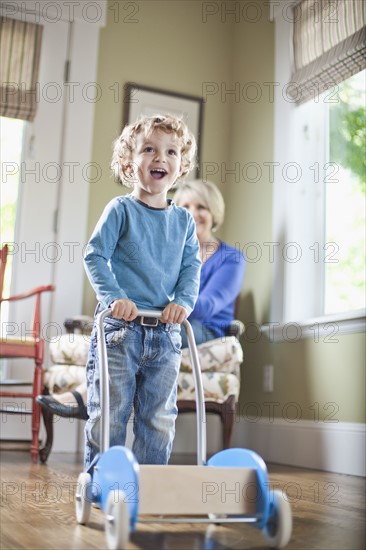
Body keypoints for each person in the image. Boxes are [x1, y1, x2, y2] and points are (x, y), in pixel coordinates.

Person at [37, 179, 245, 420]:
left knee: (135, 331)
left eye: (201, 207)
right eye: (185, 206)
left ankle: (85, 395)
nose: (193, 213)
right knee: (123, 331)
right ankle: (93, 393)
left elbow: (207, 307)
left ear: (214, 213)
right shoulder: (168, 248)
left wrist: (156, 302)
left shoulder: (230, 257)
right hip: (162, 317)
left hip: (203, 328)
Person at [86, 114, 201, 468]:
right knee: (111, 413)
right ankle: (102, 484)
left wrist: (182, 303)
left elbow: (191, 267)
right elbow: (95, 256)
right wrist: (115, 298)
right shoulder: (120, 210)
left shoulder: (183, 221)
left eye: (170, 152)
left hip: (165, 334)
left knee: (159, 419)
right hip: (120, 330)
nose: (159, 158)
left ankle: (148, 486)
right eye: (148, 149)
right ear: (128, 163)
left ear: (180, 167)